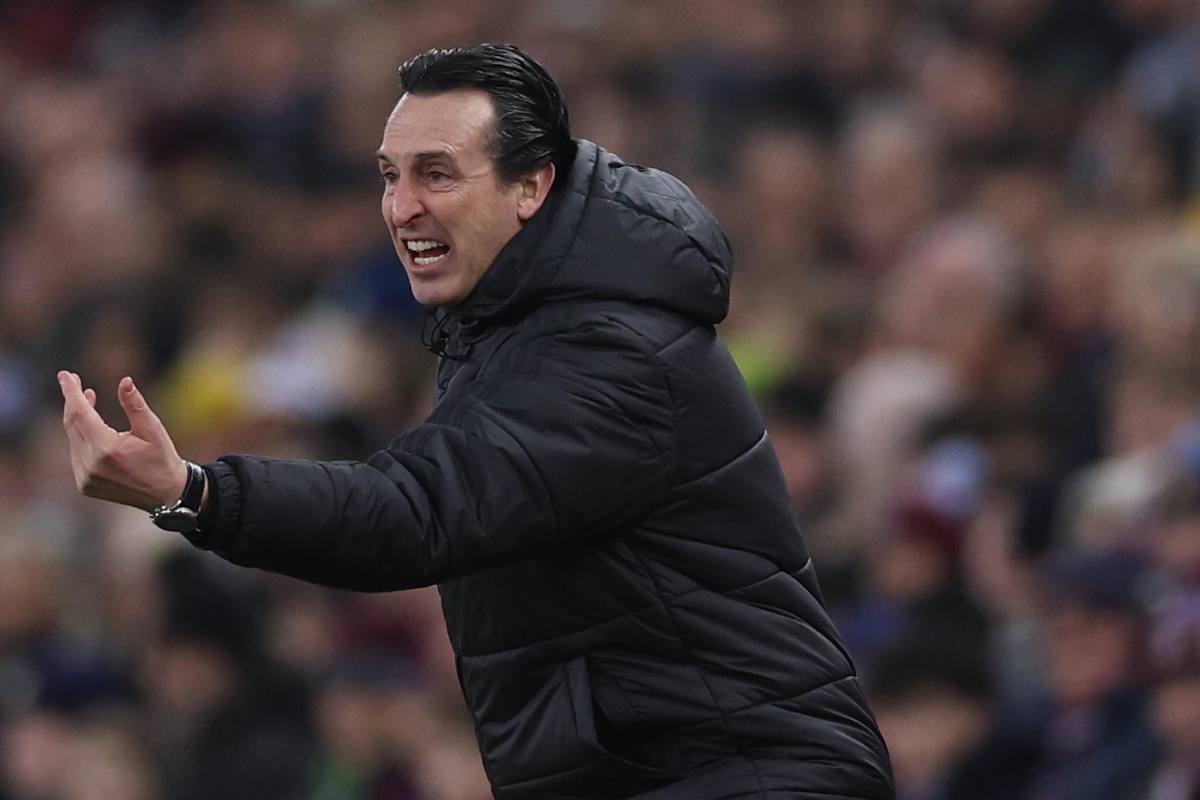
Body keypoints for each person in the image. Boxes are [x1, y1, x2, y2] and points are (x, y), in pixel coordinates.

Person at [57, 44, 894, 799]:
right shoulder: (512, 330)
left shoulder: (608, 349)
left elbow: (413, 512)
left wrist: (195, 493)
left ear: (532, 186)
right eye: (389, 176)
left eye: (437, 175)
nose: (402, 207)